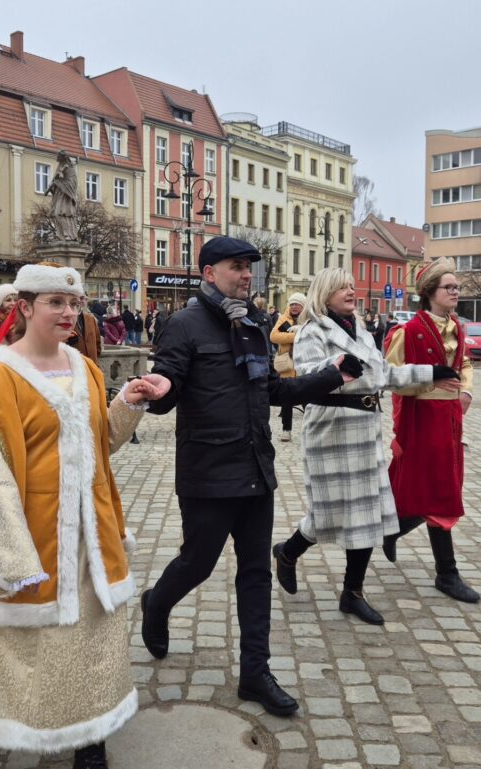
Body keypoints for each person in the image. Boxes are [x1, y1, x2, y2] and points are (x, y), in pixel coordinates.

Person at [0, 263, 169, 769]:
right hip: (27, 528)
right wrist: (14, 555)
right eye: (56, 303)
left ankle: (91, 733)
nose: (69, 313)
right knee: (23, 635)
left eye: (75, 304)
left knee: (89, 632)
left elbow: (99, 446)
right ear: (24, 308)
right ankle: (17, 718)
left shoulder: (86, 369)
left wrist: (127, 402)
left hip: (88, 530)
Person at [140, 236, 352, 718]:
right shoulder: (184, 324)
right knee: (197, 563)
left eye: (248, 267)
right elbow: (167, 386)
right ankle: (157, 604)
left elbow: (274, 389)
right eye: (236, 266)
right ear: (209, 272)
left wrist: (333, 375)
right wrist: (158, 388)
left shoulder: (254, 324)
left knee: (256, 573)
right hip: (208, 472)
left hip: (256, 469)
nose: (245, 275)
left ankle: (255, 672)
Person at [272, 268, 458, 625]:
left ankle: (352, 593)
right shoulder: (312, 330)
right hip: (331, 429)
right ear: (325, 292)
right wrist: (339, 366)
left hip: (365, 429)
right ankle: (287, 553)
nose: (350, 291)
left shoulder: (360, 330)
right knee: (329, 512)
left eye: (352, 286)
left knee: (367, 514)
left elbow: (385, 375)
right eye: (342, 287)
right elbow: (308, 375)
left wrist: (431, 373)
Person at [381, 258, 480, 603]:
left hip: (449, 419)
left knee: (442, 488)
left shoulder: (456, 327)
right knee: (437, 491)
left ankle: (394, 530)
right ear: (429, 292)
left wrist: (466, 390)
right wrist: (429, 382)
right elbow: (391, 377)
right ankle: (446, 573)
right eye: (448, 287)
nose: (455, 292)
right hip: (422, 419)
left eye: (456, 287)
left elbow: (464, 363)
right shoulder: (407, 331)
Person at [269, 293, 306, 442]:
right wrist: (295, 336)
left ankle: (311, 429)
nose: (294, 307)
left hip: (304, 364)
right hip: (288, 365)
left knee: (308, 397)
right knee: (287, 399)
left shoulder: (308, 319)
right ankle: (286, 430)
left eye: (297, 304)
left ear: (303, 306)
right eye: (292, 304)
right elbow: (273, 336)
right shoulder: (283, 318)